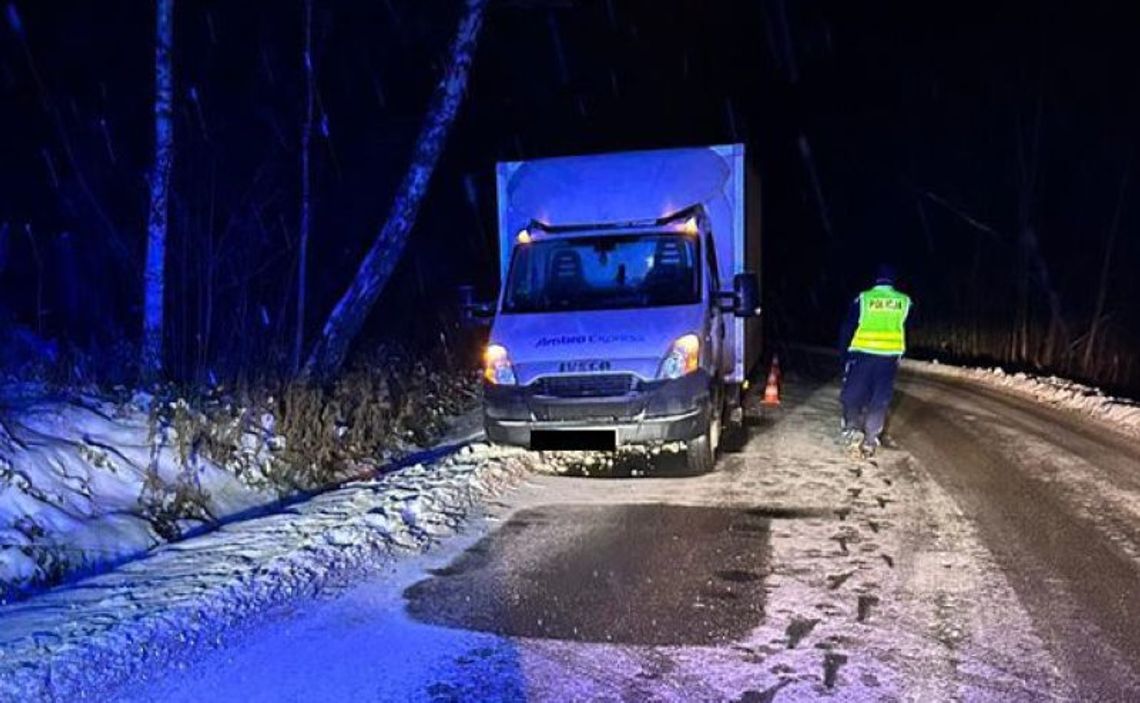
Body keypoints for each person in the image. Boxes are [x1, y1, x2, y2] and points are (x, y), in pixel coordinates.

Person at [837, 264, 913, 457]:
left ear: (875, 280)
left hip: (862, 355)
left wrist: (844, 354)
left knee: (852, 395)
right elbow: (909, 327)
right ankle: (871, 439)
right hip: (888, 359)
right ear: (893, 281)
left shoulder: (864, 299)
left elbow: (848, 327)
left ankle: (852, 430)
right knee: (880, 399)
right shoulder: (904, 301)